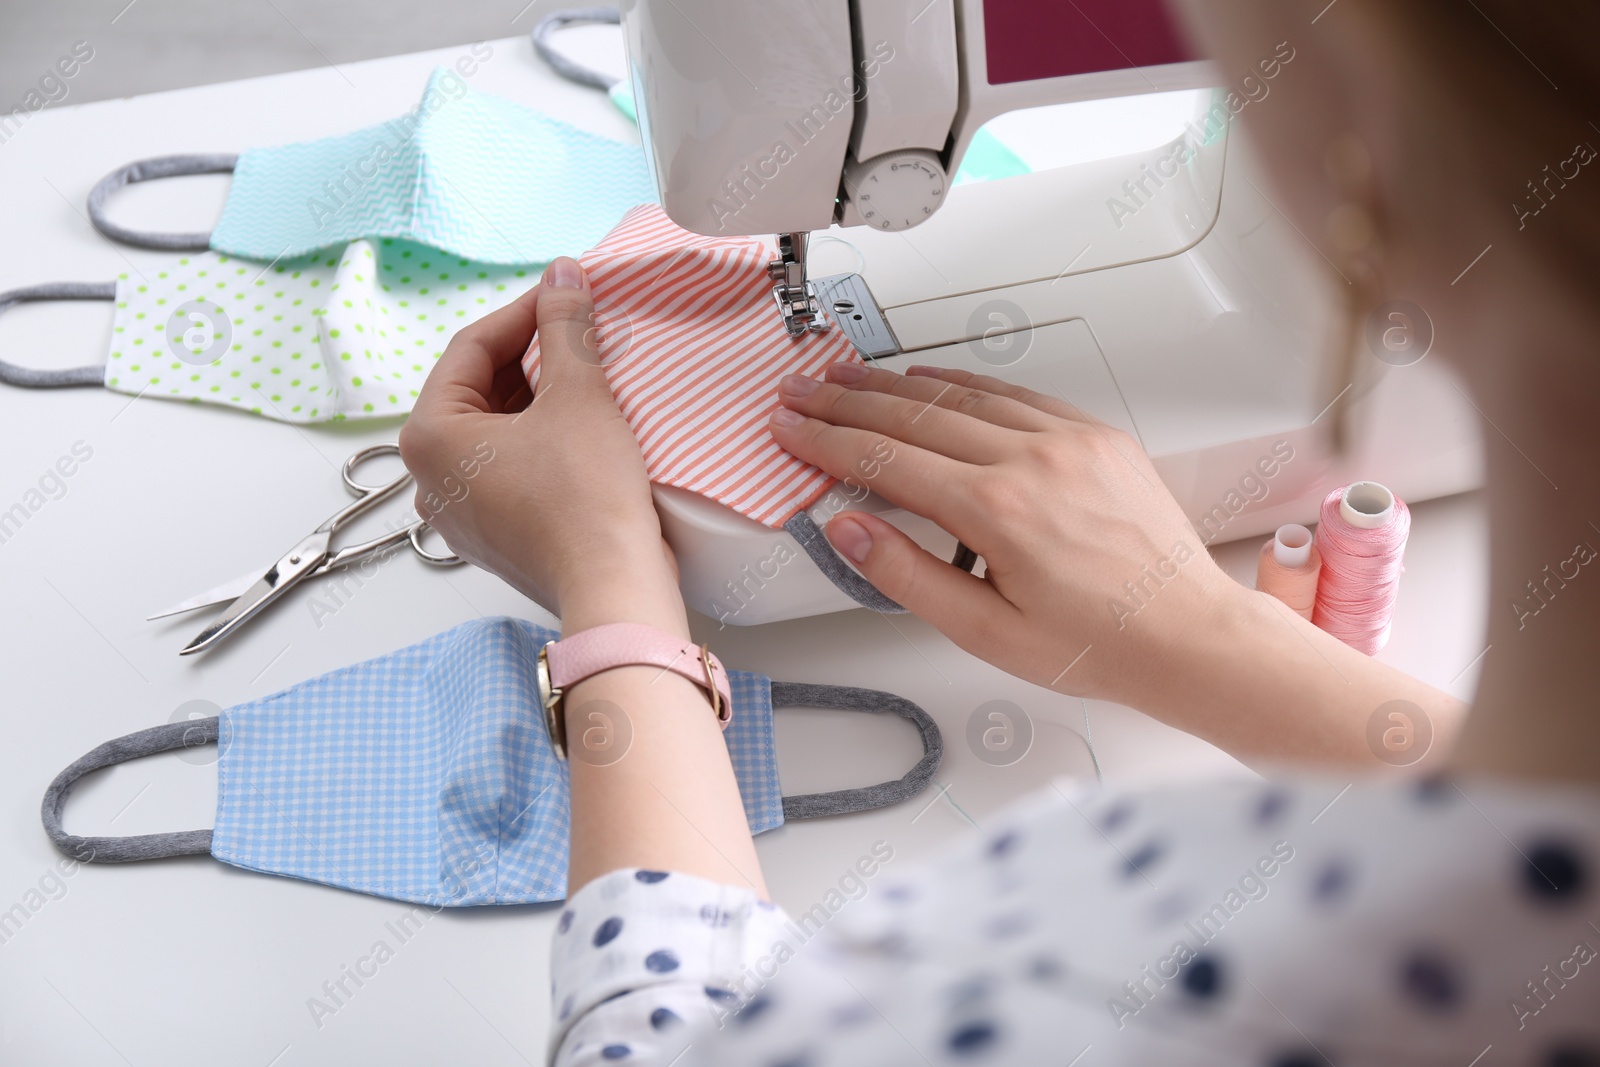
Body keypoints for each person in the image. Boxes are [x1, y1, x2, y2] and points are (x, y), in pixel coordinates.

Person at [397, 0, 1600, 1062]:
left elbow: (661, 1031)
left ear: (1358, 108)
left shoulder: (1051, 968)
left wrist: (612, 585)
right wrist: (1212, 644)